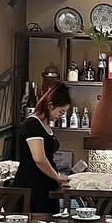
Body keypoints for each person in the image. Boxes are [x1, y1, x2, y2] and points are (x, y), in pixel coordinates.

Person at [12, 83, 72, 214]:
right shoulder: (32, 124)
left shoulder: (45, 125)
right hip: (33, 184)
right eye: (61, 111)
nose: (61, 116)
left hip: (46, 183)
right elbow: (39, 158)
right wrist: (57, 177)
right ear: (50, 106)